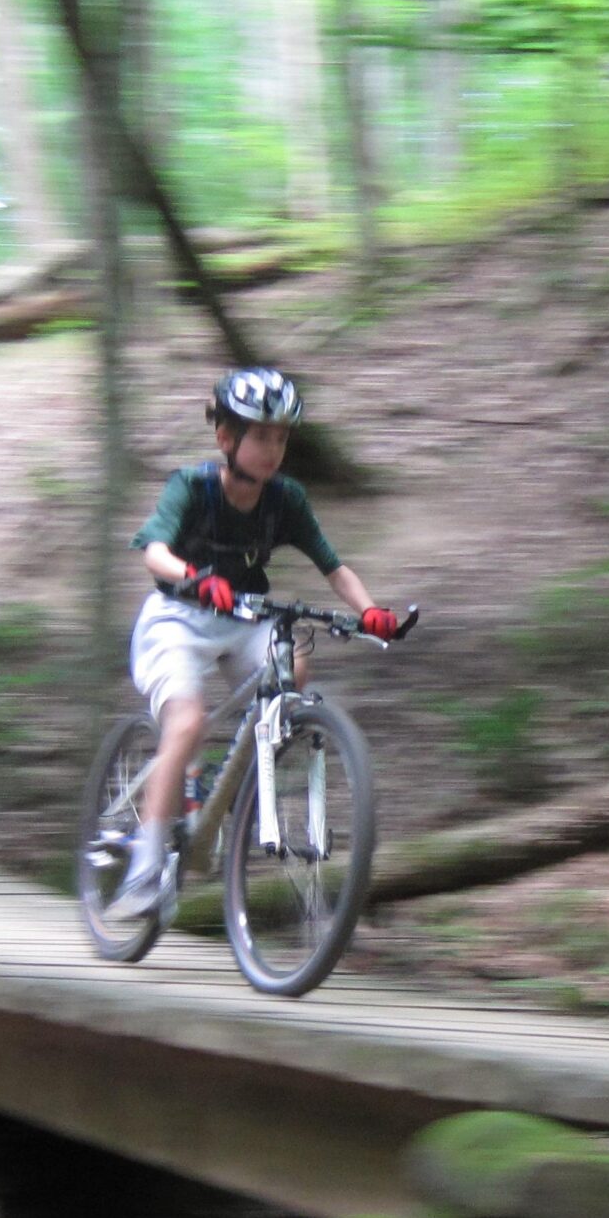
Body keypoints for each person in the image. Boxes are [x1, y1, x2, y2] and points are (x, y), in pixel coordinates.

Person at [111, 367, 406, 920]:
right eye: (261, 436)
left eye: (281, 438)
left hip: (245, 614)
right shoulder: (192, 487)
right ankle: (144, 866)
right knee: (188, 722)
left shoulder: (285, 499)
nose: (273, 449)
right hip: (178, 615)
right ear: (226, 439)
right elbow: (153, 549)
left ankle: (225, 787)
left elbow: (332, 566)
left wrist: (368, 611)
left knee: (293, 671)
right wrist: (194, 578)